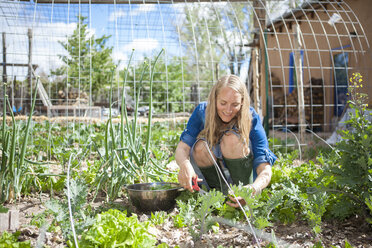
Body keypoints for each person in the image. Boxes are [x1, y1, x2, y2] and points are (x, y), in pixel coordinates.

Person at [175, 74, 277, 208]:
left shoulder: (251, 118)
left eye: (235, 104)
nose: (228, 110)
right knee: (200, 147)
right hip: (212, 174)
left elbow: (265, 168)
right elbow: (182, 148)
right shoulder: (202, 112)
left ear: (242, 102)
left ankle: (240, 195)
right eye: (223, 103)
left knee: (232, 139)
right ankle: (218, 196)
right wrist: (184, 165)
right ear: (214, 98)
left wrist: (254, 188)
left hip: (245, 181)